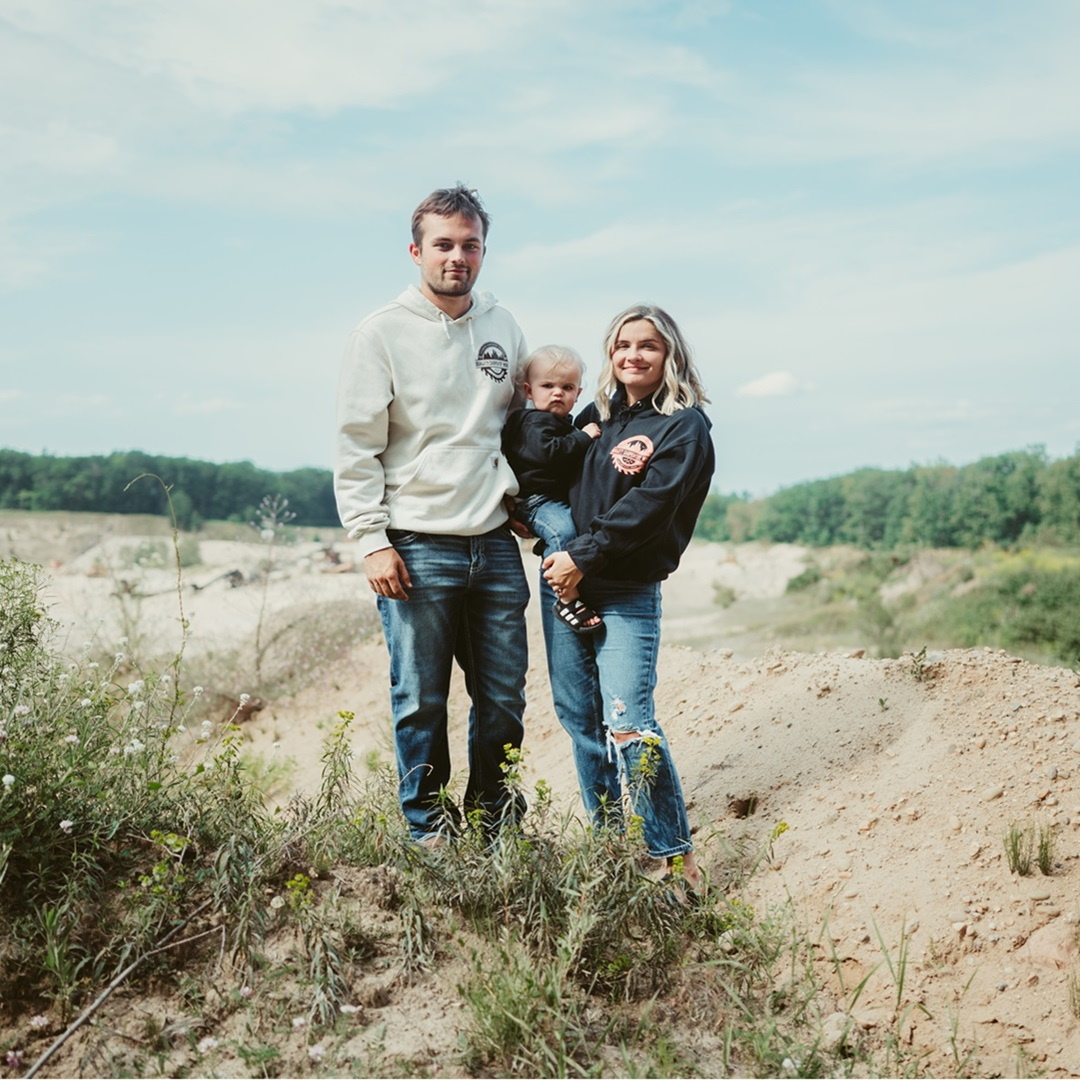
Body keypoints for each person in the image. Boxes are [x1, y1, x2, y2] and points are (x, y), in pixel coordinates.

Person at [334, 184, 530, 845]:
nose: (457, 257)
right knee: (422, 700)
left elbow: (516, 427)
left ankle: (492, 819)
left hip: (495, 544)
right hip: (416, 545)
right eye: (443, 245)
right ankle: (427, 828)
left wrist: (528, 500)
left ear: (483, 251)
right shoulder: (380, 333)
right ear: (416, 251)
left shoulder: (504, 326)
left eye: (470, 245)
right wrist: (370, 539)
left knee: (504, 700)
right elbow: (357, 443)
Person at [540, 303, 713, 894]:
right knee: (580, 722)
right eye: (622, 346)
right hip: (564, 585)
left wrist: (582, 556)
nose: (632, 355)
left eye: (647, 345)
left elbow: (649, 508)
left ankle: (673, 857)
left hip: (623, 591)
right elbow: (553, 466)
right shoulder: (600, 416)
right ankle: (612, 850)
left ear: (670, 356)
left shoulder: (684, 426)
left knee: (629, 726)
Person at [502, 344, 603, 634]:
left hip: (550, 499)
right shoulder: (533, 422)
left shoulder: (556, 422)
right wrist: (583, 438)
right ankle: (567, 598)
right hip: (535, 501)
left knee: (571, 527)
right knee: (564, 532)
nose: (557, 392)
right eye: (547, 386)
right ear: (528, 391)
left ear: (578, 394)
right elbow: (549, 454)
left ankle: (549, 550)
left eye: (567, 387)